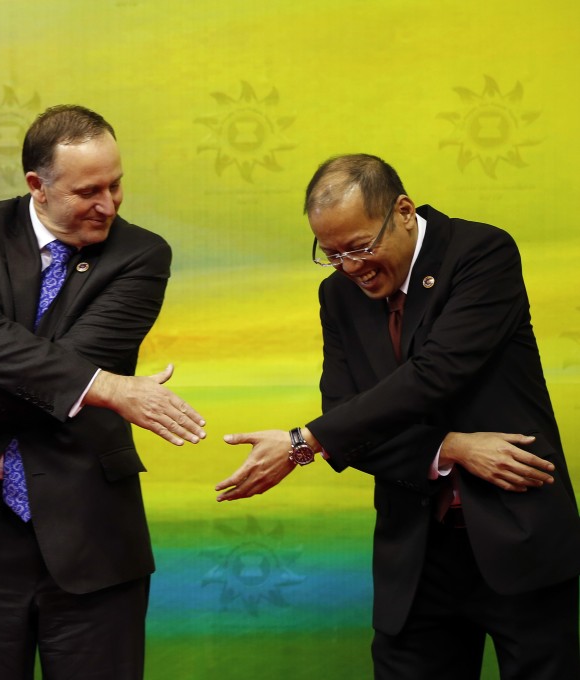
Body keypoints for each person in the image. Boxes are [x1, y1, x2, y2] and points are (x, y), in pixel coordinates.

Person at [214, 153, 580, 679]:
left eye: (360, 246)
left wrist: (305, 441)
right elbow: (348, 420)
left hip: (517, 535)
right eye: (331, 253)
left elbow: (434, 375)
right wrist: (450, 447)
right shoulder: (338, 294)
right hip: (415, 552)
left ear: (404, 212)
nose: (351, 266)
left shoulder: (480, 253)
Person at [0, 105, 205, 680]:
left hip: (92, 534)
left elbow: (74, 361)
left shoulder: (142, 254)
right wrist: (104, 388)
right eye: (88, 191)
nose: (108, 203)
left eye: (116, 184)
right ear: (38, 185)